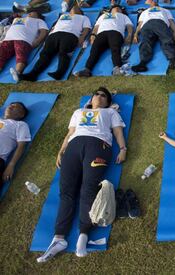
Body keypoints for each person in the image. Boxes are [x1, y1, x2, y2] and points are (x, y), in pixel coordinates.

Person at [36, 87, 127, 263]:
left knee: (88, 188)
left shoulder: (110, 112)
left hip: (98, 146)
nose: (100, 97)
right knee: (67, 191)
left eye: (104, 96)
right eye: (97, 94)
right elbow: (70, 132)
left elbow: (117, 132)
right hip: (74, 147)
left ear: (108, 102)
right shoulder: (79, 111)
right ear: (91, 98)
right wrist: (61, 151)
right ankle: (59, 238)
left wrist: (123, 149)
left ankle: (83, 235)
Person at [17, 4, 91, 81]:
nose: (73, 7)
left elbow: (87, 28)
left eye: (77, 8)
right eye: (72, 7)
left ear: (81, 12)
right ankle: (33, 74)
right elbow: (54, 27)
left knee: (64, 53)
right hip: (54, 35)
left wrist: (82, 37)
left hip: (70, 35)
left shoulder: (84, 17)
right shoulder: (63, 16)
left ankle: (59, 73)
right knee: (45, 54)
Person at [74, 5, 133, 77]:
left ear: (122, 11)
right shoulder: (103, 16)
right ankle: (87, 69)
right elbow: (96, 26)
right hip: (101, 33)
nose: (117, 8)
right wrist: (93, 35)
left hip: (116, 32)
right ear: (111, 10)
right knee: (94, 50)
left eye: (119, 8)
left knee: (115, 49)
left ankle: (117, 68)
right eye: (115, 7)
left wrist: (129, 35)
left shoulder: (123, 16)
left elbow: (129, 26)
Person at [131, 0, 175, 73]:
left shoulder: (165, 10)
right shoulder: (145, 11)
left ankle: (174, 61)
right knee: (145, 41)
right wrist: (135, 34)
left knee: (166, 40)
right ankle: (142, 64)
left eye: (155, 1)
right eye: (152, 1)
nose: (154, 2)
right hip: (147, 25)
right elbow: (140, 24)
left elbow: (171, 22)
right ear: (149, 4)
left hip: (160, 23)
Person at [0, 11, 48, 78]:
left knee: (21, 55)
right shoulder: (17, 19)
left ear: (38, 15)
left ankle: (18, 72)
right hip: (8, 39)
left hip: (23, 39)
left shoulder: (39, 21)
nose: (29, 13)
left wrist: (38, 41)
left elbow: (44, 31)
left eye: (32, 12)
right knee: (1, 54)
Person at [0, 102, 31, 188]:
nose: (11, 106)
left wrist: (11, 165)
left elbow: (21, 145)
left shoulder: (20, 125)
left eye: (15, 106)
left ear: (21, 114)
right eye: (10, 105)